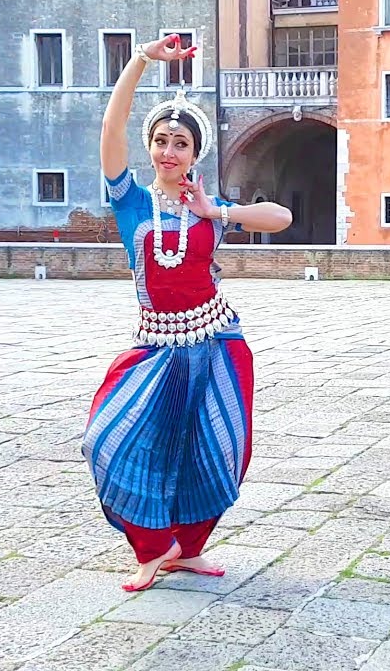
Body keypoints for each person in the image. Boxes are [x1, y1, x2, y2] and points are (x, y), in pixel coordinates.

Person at [82, 34, 293, 592]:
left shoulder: (209, 210)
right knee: (111, 437)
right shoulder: (130, 200)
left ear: (195, 153)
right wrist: (141, 61)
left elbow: (282, 218)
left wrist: (218, 208)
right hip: (155, 344)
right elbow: (110, 131)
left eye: (180, 143)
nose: (168, 151)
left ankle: (187, 549)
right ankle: (152, 548)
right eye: (160, 141)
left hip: (216, 340)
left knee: (215, 444)